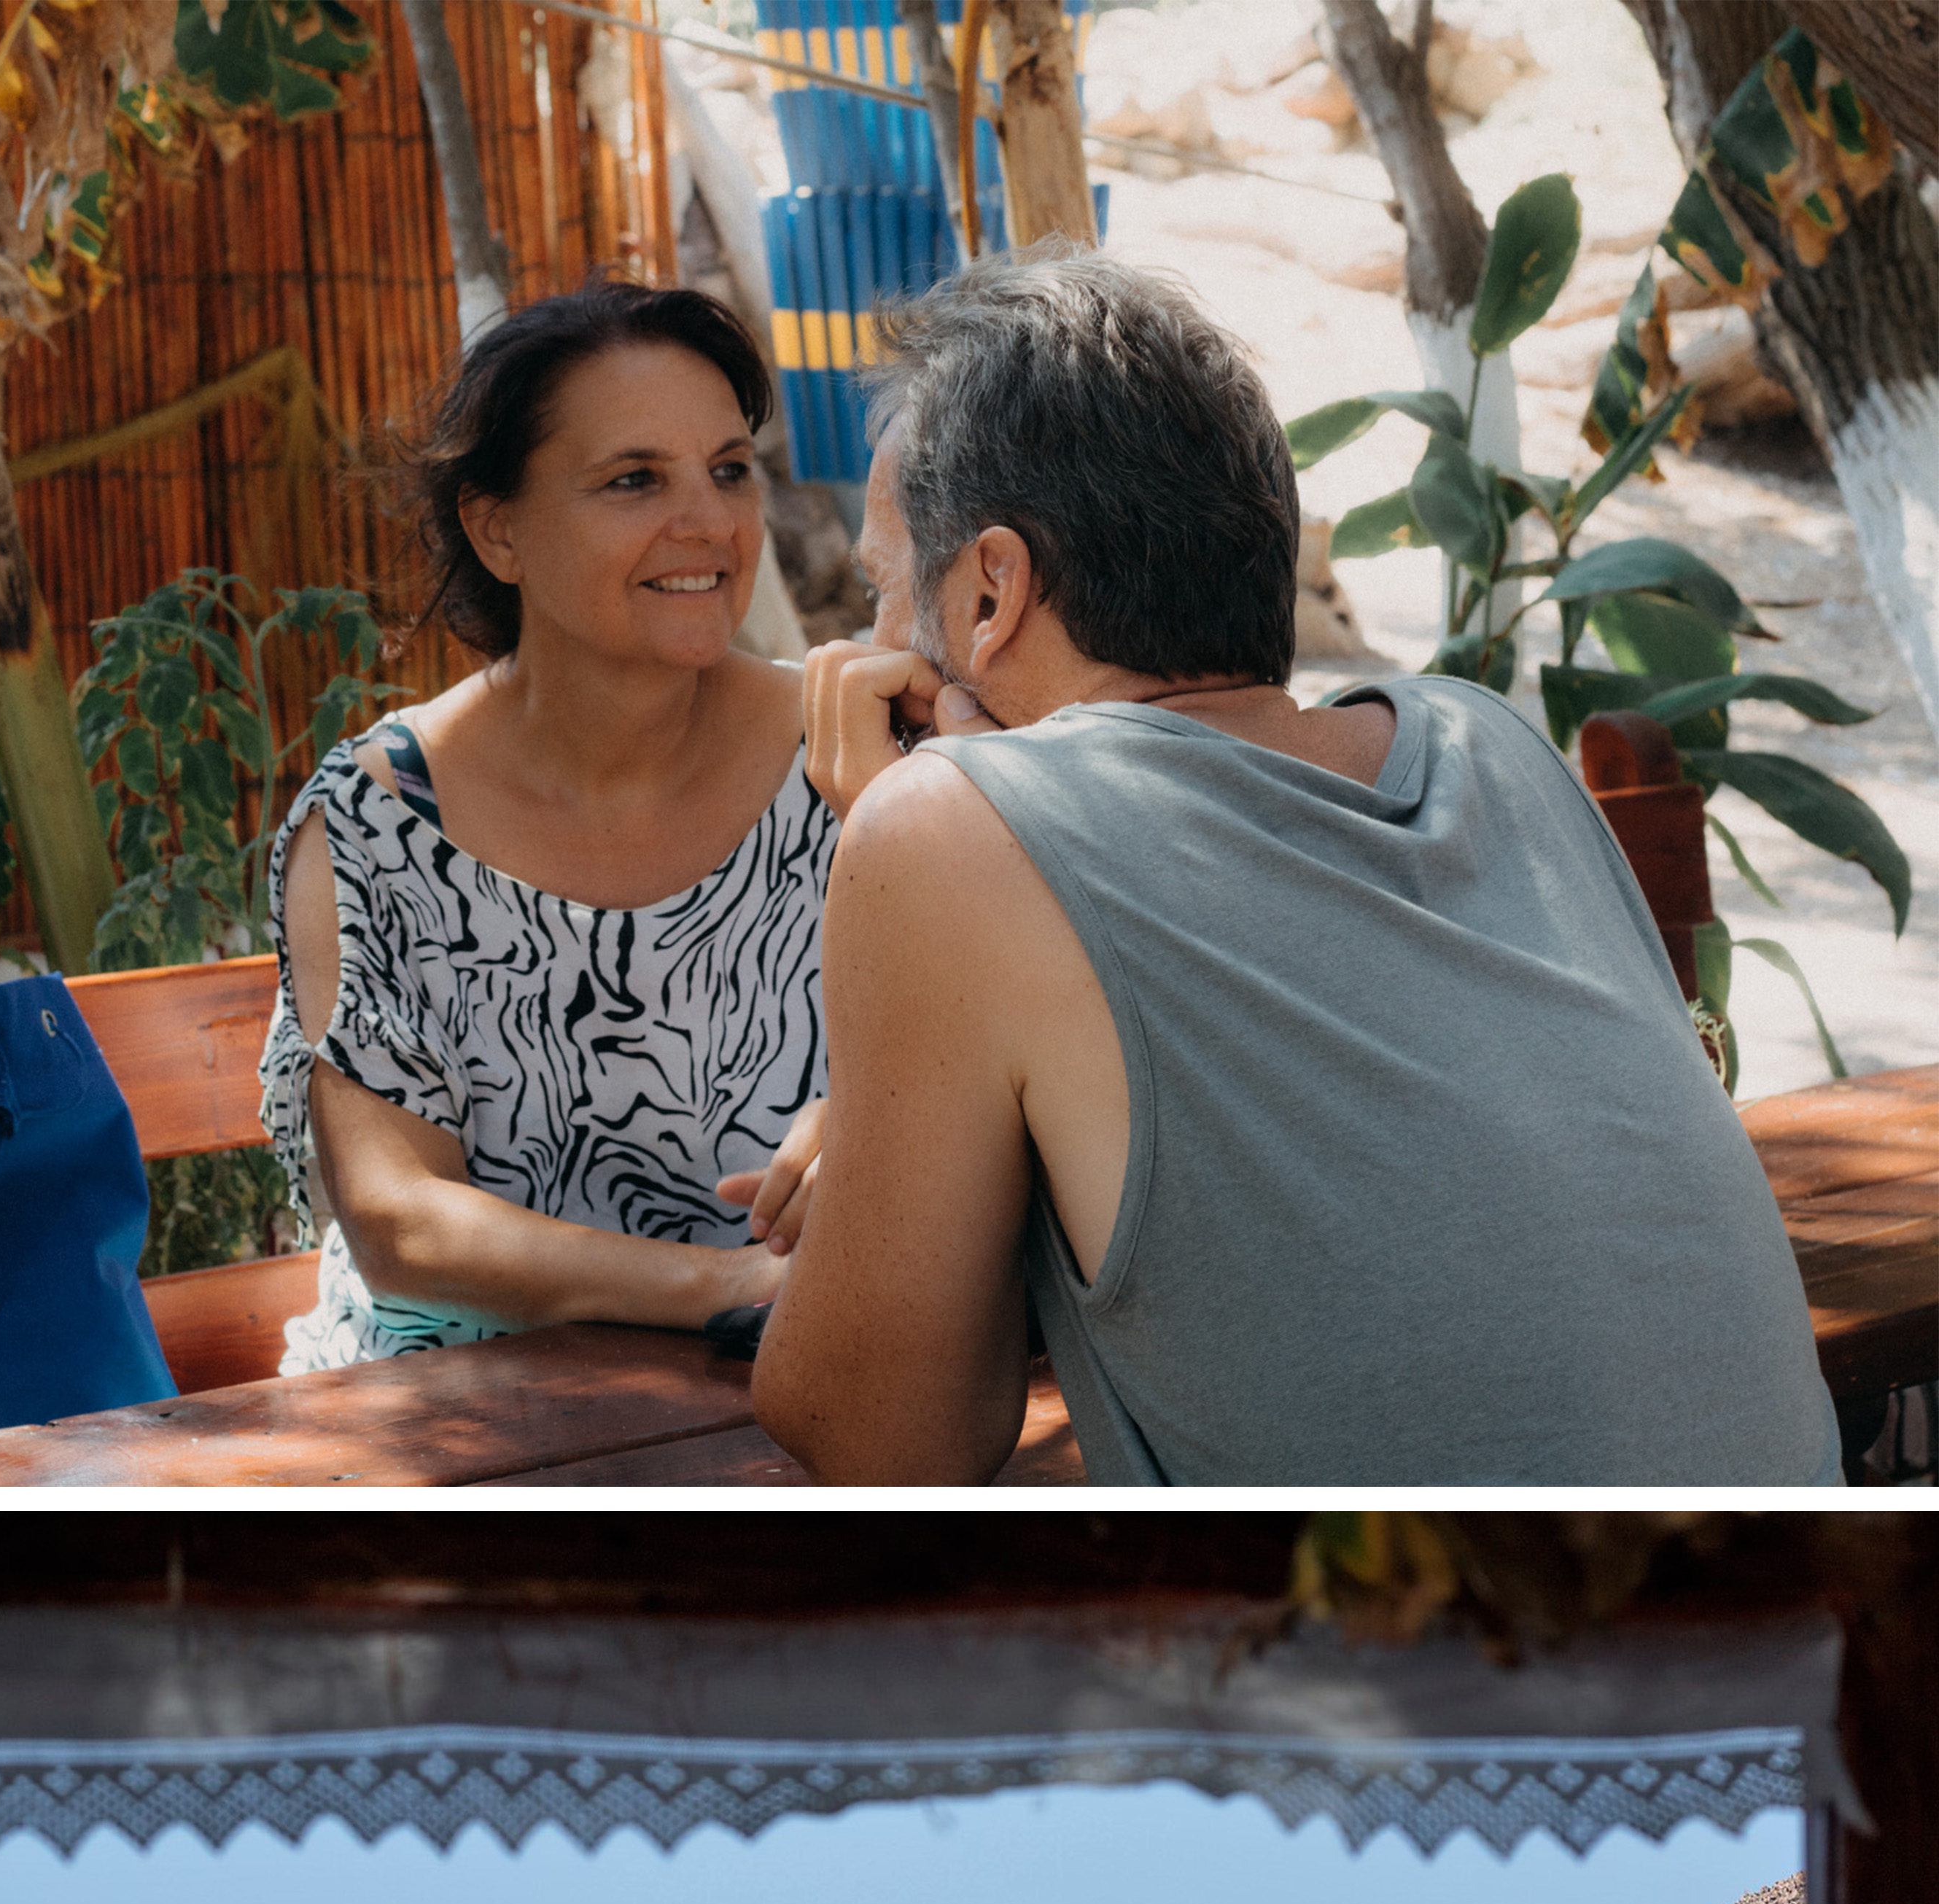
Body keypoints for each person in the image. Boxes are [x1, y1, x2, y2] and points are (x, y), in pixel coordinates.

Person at [750, 250, 1842, 1483]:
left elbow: (873, 1438)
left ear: (990, 591)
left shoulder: (944, 829)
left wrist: (895, 816)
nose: (872, 646)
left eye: (889, 591)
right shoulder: (1487, 745)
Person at [260, 280, 834, 1370]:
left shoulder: (844, 759)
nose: (710, 523)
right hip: (458, 1418)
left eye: (728, 469)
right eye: (633, 480)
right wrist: (734, 1289)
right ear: (498, 529)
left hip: (796, 1397)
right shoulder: (380, 822)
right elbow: (397, 1219)